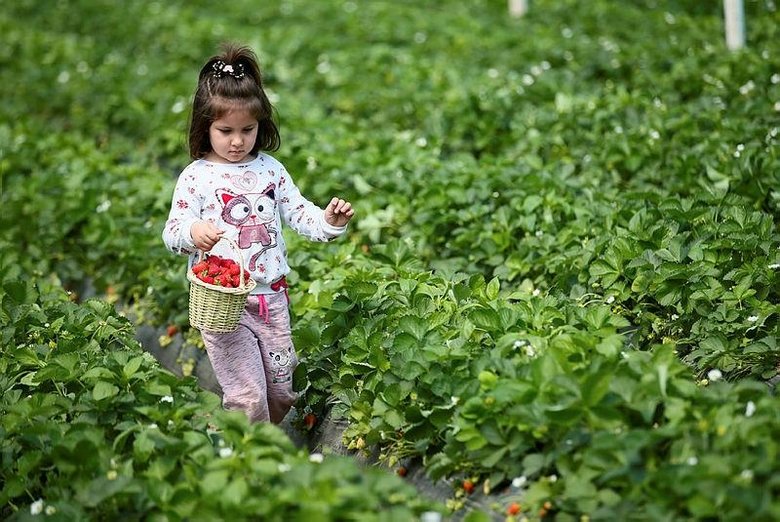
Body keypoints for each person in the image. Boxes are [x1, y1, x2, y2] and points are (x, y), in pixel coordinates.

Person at [162, 43, 354, 424]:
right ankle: (245, 459)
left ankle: (267, 446)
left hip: (271, 299)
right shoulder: (196, 177)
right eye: (225, 131)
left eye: (247, 130)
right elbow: (172, 232)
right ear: (205, 127)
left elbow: (299, 214)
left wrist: (331, 222)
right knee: (248, 395)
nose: (237, 141)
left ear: (260, 125)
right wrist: (192, 230)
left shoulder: (272, 170)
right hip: (223, 305)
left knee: (284, 390)